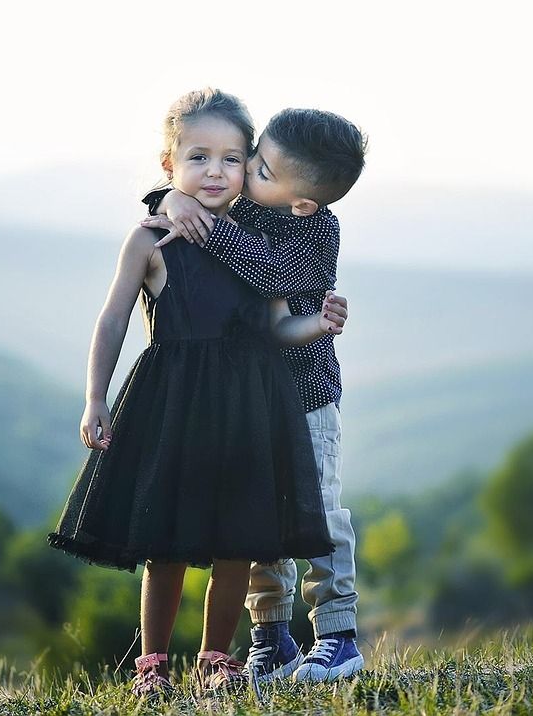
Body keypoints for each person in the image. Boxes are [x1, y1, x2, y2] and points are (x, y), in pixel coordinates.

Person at [47, 88, 346, 700]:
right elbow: (112, 320)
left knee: (241, 540)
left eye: (233, 159)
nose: (216, 171)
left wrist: (317, 325)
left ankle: (220, 661)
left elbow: (275, 324)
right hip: (175, 409)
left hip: (247, 413)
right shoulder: (152, 237)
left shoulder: (252, 237)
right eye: (199, 158)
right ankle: (152, 665)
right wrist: (95, 397)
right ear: (169, 165)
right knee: (166, 541)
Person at [140, 106, 368, 682]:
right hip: (246, 400)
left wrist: (205, 224)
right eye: (252, 158)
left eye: (257, 167)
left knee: (316, 510)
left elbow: (273, 278)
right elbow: (190, 189)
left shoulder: (316, 230)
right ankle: (272, 634)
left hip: (306, 394)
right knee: (257, 518)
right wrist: (170, 200)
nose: (241, 175)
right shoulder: (246, 202)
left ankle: (337, 634)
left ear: (302, 201)